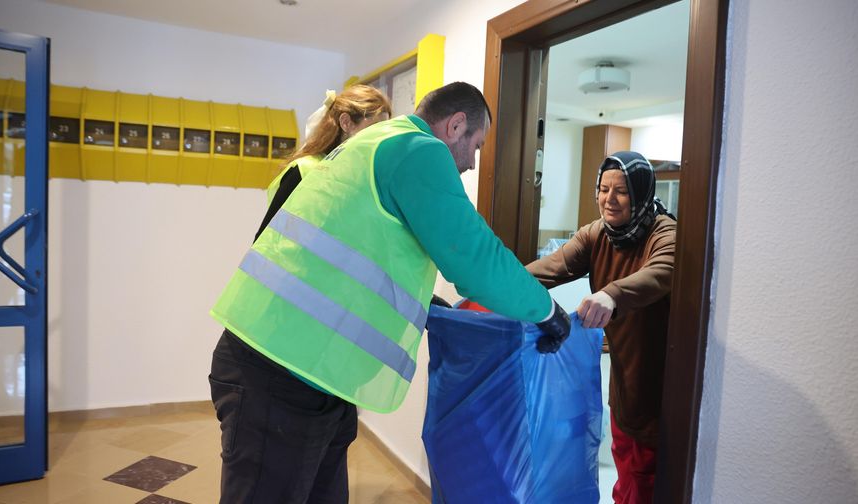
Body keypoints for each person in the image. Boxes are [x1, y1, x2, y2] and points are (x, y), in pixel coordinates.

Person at [208, 81, 572, 503]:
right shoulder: (418, 149)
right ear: (455, 125)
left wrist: (422, 303)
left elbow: (366, 251)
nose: (473, 163)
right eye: (476, 145)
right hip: (279, 373)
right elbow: (474, 256)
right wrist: (546, 311)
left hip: (309, 370)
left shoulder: (377, 142)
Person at [526, 151, 676, 504]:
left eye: (621, 191)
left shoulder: (664, 232)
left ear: (640, 193)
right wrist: (493, 289)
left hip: (659, 381)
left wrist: (611, 295)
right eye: (603, 188)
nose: (610, 199)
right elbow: (550, 267)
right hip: (624, 377)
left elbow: (664, 269)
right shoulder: (598, 234)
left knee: (647, 479)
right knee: (626, 472)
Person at [258, 85, 392, 239]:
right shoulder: (304, 170)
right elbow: (265, 239)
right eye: (372, 131)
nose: (377, 141)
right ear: (346, 122)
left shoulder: (360, 178)